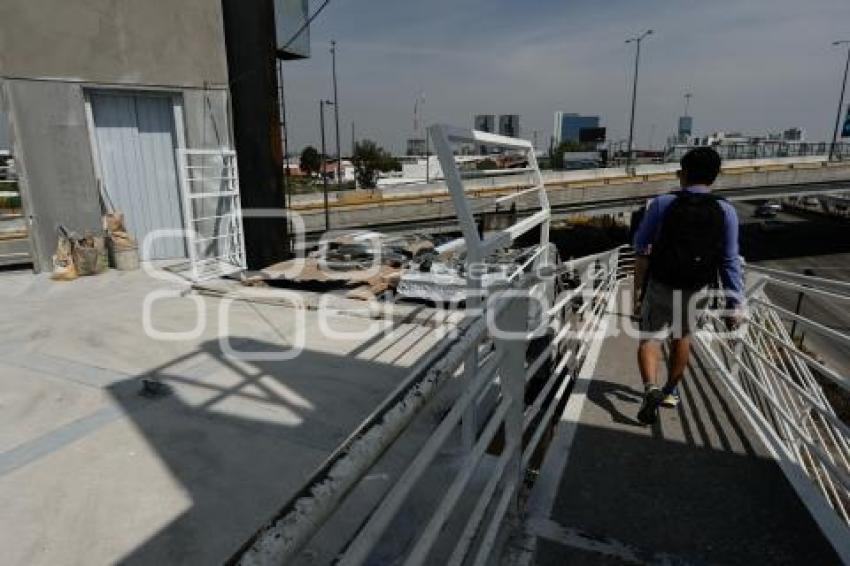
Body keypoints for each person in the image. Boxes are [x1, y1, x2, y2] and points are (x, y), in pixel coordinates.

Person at [632, 147, 743, 425]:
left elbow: (640, 243)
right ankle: (670, 392)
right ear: (715, 177)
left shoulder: (662, 203)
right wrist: (734, 302)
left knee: (650, 338)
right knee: (683, 336)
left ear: (682, 174)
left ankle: (651, 389)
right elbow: (729, 260)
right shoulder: (726, 210)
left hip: (661, 281)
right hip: (698, 287)